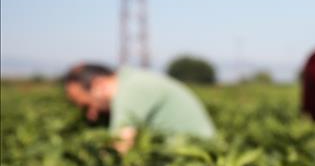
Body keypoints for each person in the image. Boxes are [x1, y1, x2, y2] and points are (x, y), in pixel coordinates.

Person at [64, 63, 216, 152]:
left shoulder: (130, 91)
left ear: (99, 85)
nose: (91, 114)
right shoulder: (133, 80)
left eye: (87, 105)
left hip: (197, 154)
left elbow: (121, 145)